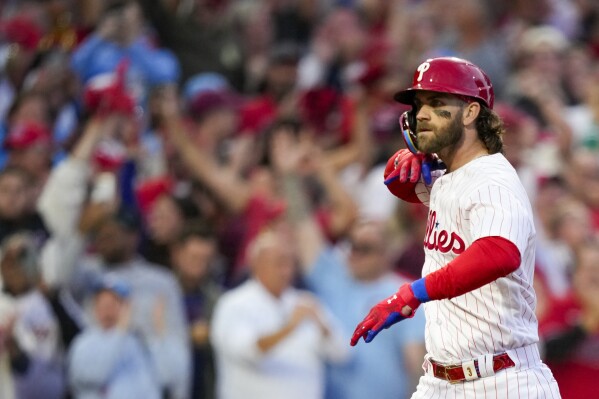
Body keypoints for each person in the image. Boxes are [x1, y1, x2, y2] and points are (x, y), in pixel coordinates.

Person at [350, 57, 561, 398]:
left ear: (470, 112)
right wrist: (407, 158)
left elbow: (499, 254)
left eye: (436, 104)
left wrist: (412, 292)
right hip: (440, 381)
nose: (421, 115)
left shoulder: (494, 179)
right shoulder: (449, 175)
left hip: (501, 379)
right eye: (419, 106)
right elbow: (396, 182)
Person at [210, 230, 348, 399]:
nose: (286, 271)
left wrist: (323, 326)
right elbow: (249, 351)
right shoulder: (233, 304)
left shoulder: (305, 301)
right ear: (257, 264)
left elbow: (342, 354)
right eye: (279, 263)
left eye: (290, 263)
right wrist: (289, 327)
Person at [67, 276, 161, 399]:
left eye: (114, 303)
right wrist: (119, 333)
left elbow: (150, 386)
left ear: (126, 307)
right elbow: (93, 375)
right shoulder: (83, 343)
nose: (108, 309)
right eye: (103, 302)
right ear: (95, 306)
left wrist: (159, 333)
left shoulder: (135, 343)